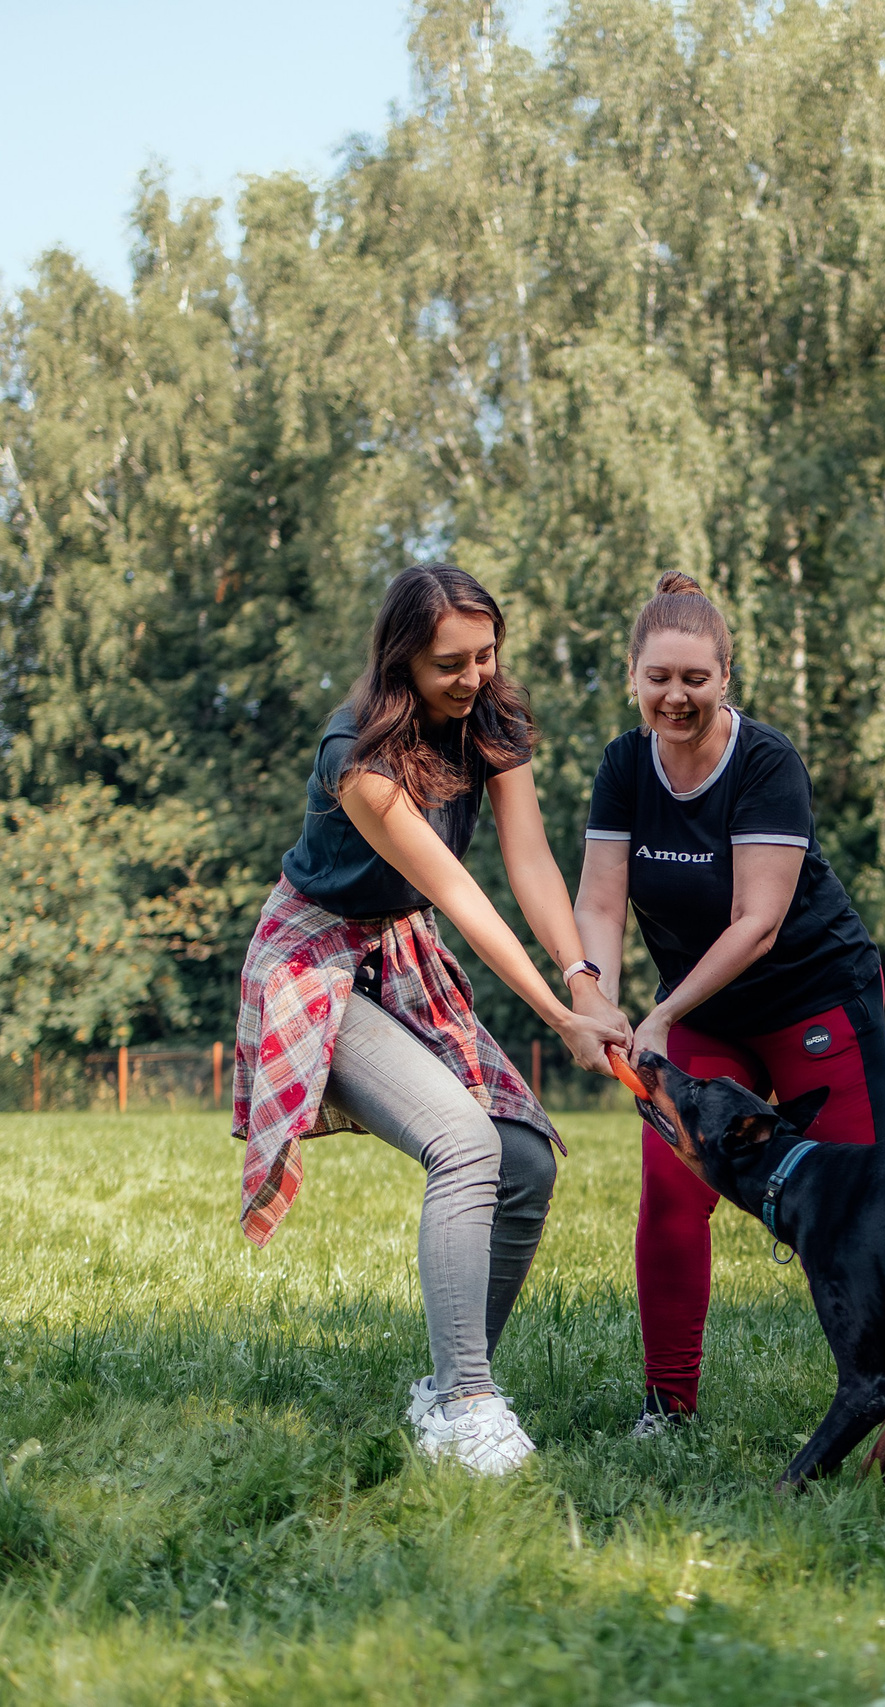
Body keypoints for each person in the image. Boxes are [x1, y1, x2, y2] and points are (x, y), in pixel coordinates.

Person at [232, 562, 631, 1474]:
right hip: (317, 959)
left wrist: (582, 981)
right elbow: (456, 888)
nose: (475, 675)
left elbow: (528, 862)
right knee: (465, 1144)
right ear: (402, 659)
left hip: (399, 950)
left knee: (524, 1158)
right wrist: (554, 1016)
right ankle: (465, 1402)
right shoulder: (358, 758)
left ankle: (451, 1381)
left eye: (487, 653)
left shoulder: (492, 715)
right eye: (452, 662)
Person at [574, 571, 885, 1436]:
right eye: (658, 678)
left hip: (813, 999)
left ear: (727, 676)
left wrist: (660, 1014)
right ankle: (667, 1406)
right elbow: (602, 904)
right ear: (633, 676)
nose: (675, 696)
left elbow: (756, 924)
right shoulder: (621, 766)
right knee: (673, 1193)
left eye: (695, 678)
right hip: (706, 1018)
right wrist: (598, 998)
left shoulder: (766, 762)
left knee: (868, 1209)